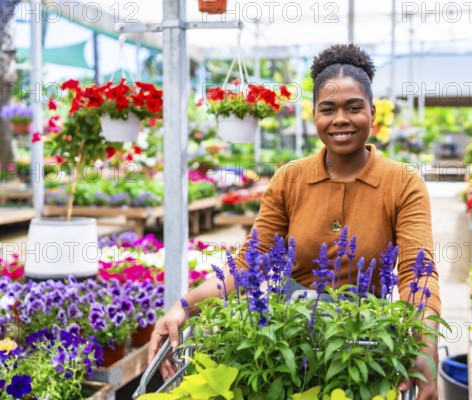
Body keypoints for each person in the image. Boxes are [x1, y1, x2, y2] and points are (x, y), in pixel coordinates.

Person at [148, 43, 441, 400]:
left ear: (373, 113)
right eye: (328, 109)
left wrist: (425, 347)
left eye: (354, 107)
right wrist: (183, 307)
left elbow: (417, 273)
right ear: (313, 115)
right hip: (291, 348)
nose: (340, 119)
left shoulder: (403, 182)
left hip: (365, 346)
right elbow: (247, 265)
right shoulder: (291, 178)